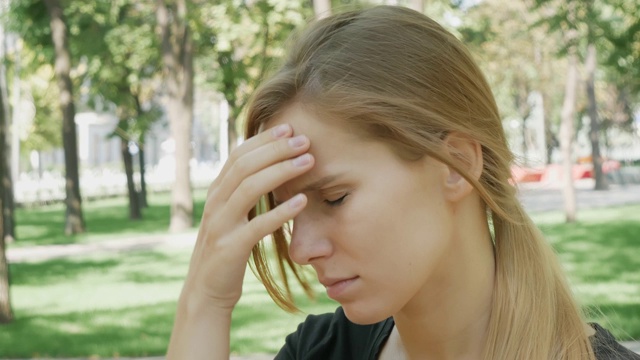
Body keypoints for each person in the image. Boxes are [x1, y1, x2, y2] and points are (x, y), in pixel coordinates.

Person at [166, 5, 640, 360]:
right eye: (289, 210)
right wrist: (206, 300)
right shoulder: (321, 352)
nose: (300, 249)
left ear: (455, 163)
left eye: (334, 198)